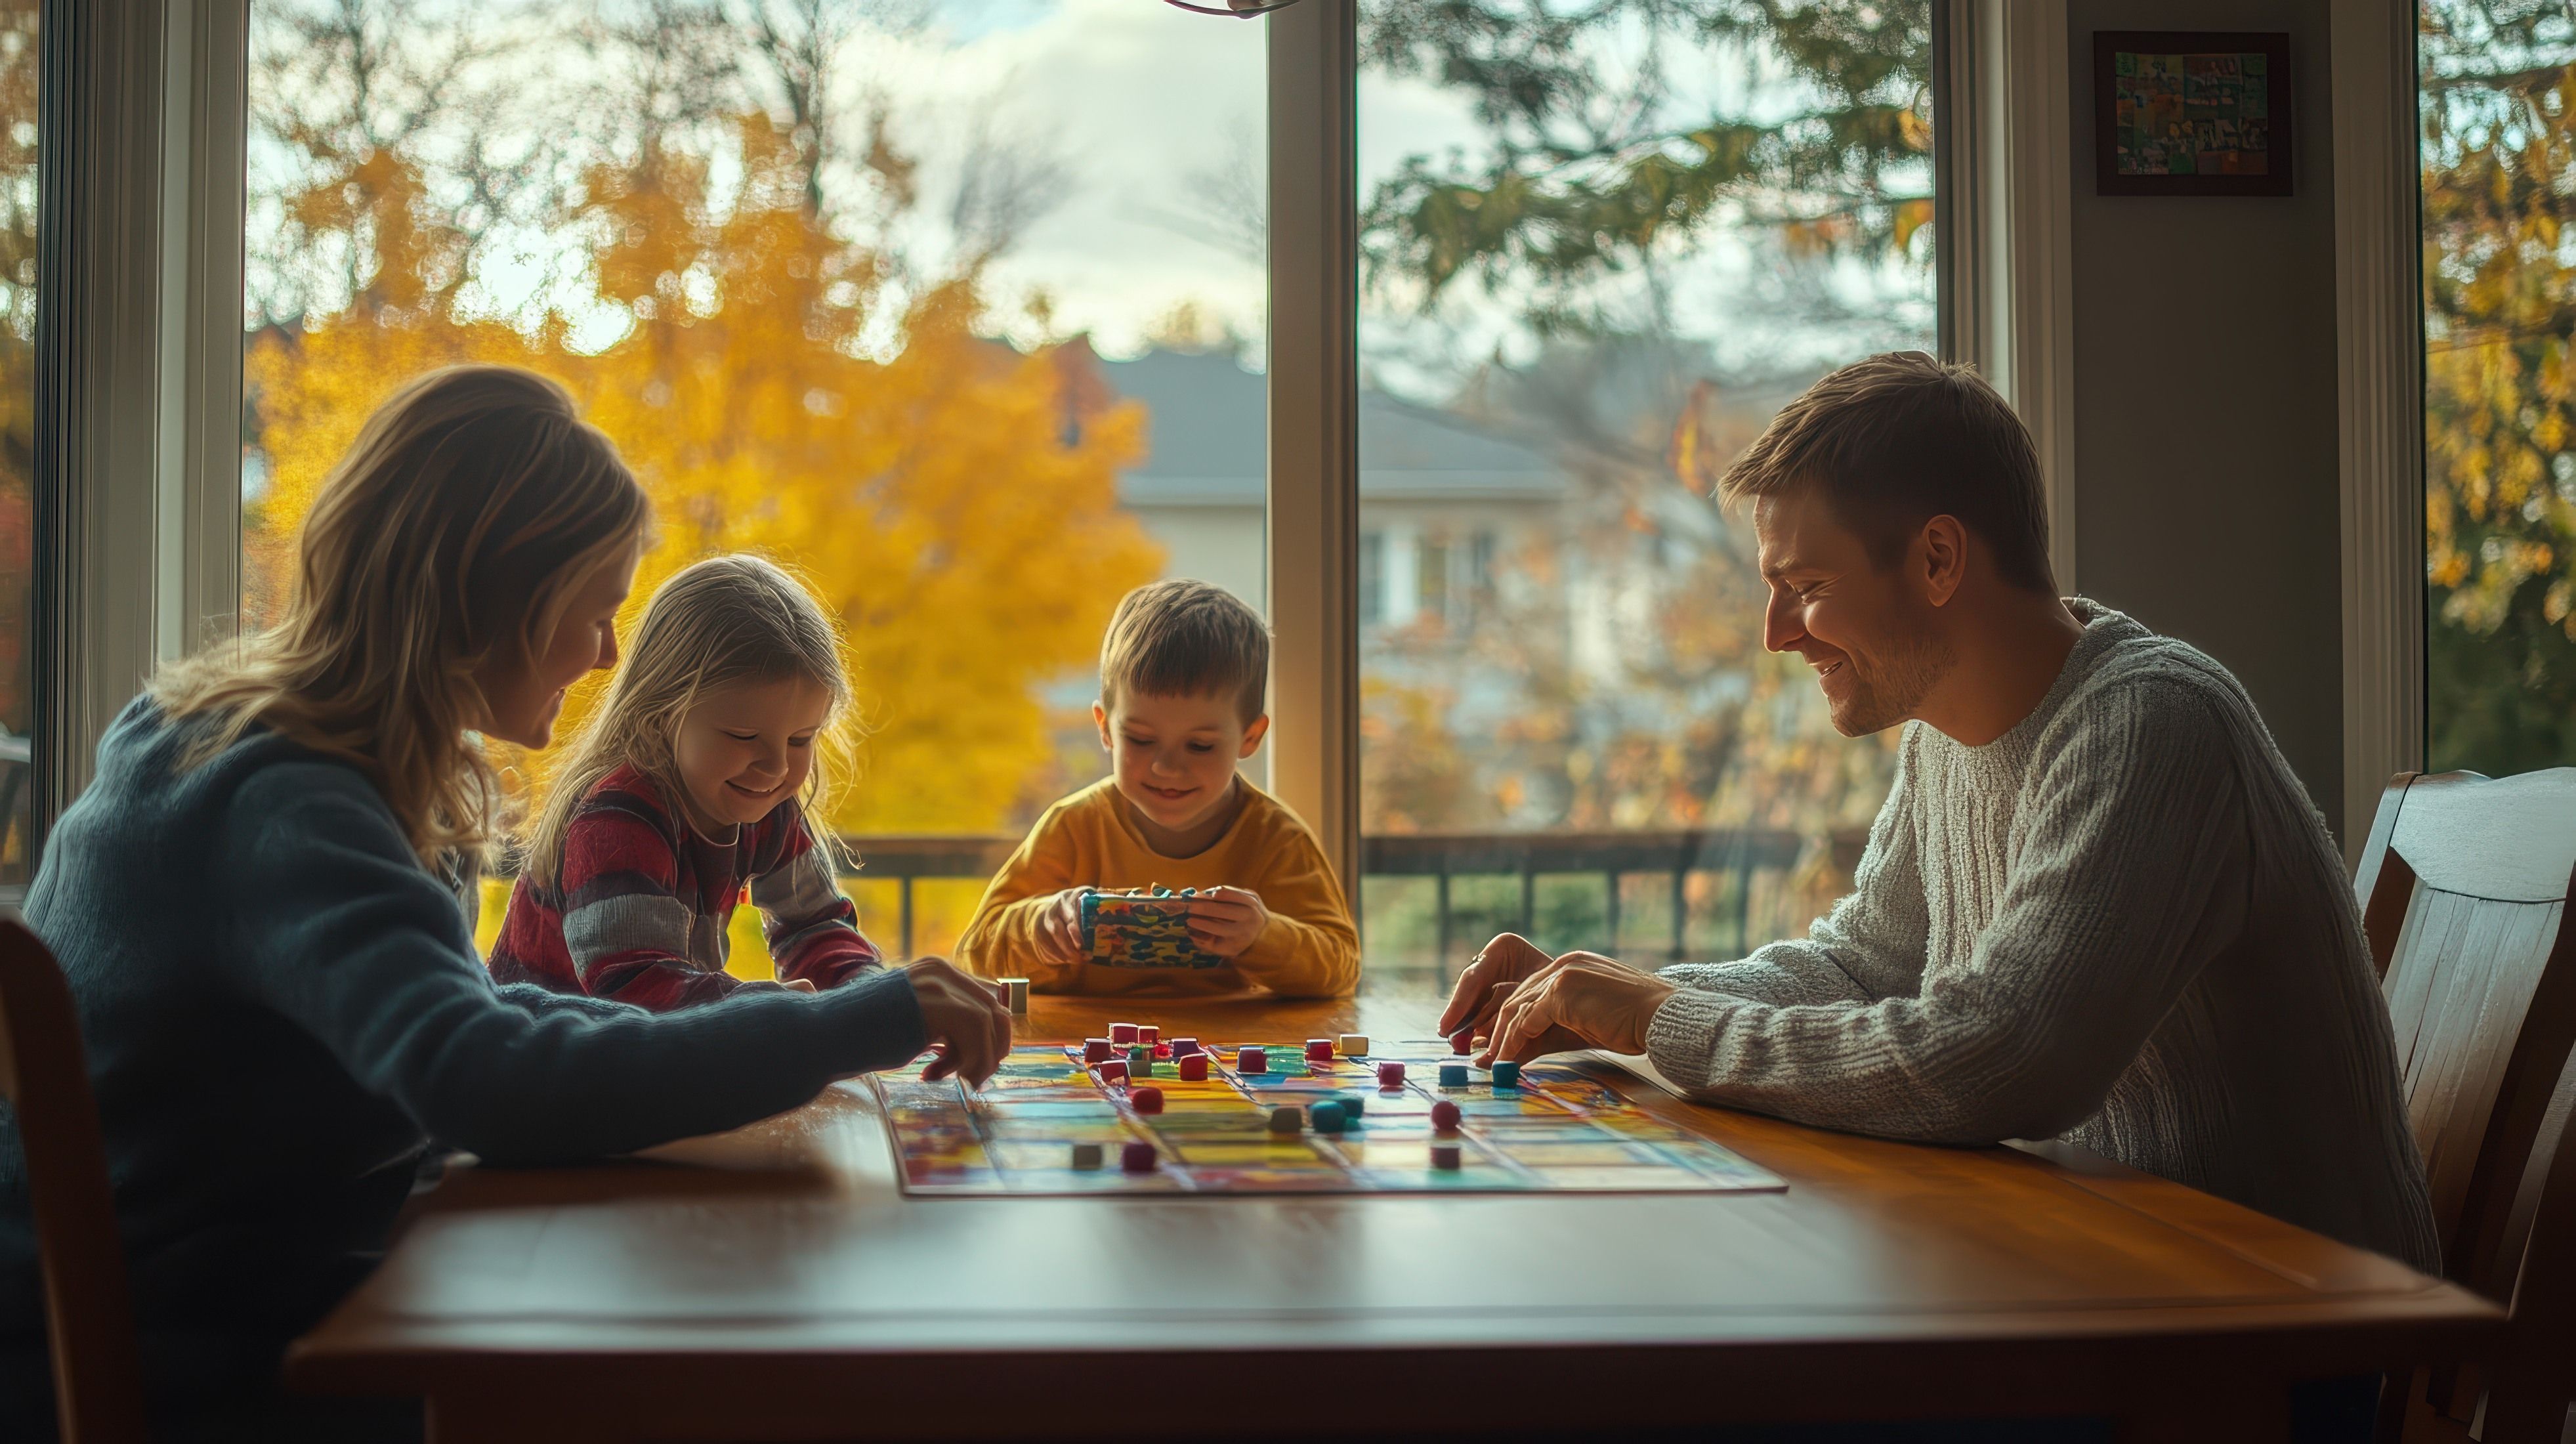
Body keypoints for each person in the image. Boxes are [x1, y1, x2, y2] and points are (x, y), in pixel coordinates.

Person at [0, 366, 1009, 1442]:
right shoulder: (287, 803)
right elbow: (486, 1081)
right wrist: (855, 1019)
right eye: (596, 611)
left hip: (254, 1298)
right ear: (495, 602)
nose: (610, 655)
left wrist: (834, 1018)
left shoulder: (269, 750)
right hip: (199, 1368)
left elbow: (486, 1017)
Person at [1439, 351, 2439, 1277]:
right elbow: (1862, 966)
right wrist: (1601, 994)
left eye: (1807, 588)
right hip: (2106, 1276)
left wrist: (1664, 1021)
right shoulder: (1944, 734)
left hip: (2284, 1342)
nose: (1775, 633)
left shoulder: (2151, 723)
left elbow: (2002, 1059)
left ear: (1937, 561)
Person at [490, 554, 891, 1010]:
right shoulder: (616, 821)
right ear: (661, 716)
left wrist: (870, 995)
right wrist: (773, 1013)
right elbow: (638, 987)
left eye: (801, 740)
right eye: (743, 737)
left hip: (639, 1059)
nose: (776, 767)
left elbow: (815, 927)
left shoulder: (766, 806)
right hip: (541, 1062)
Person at [960, 580, 1358, 997]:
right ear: (1105, 729)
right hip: (1083, 1047)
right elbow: (975, 954)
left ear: (1251, 737)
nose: (1167, 767)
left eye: (1200, 745)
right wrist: (1039, 927)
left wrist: (1263, 935)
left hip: (1227, 1051)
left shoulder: (1276, 839)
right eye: (1141, 739)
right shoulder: (1074, 827)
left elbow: (1341, 967)